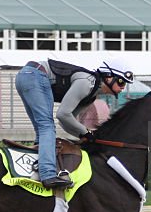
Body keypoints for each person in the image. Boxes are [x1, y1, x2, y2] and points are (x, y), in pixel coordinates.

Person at [15, 57, 133, 189]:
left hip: (26, 75)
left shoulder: (92, 94)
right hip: (35, 75)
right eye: (122, 82)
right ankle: (48, 175)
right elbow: (63, 114)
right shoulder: (87, 83)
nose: (123, 88)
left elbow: (66, 122)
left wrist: (86, 136)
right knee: (46, 126)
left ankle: (37, 166)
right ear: (109, 77)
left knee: (42, 129)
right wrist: (86, 132)